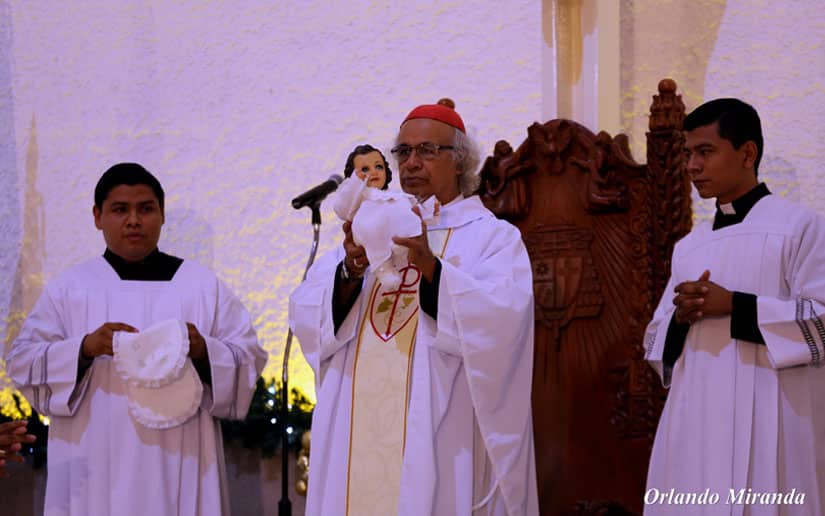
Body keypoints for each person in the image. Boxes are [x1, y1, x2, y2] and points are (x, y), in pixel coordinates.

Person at [290, 100, 539, 515]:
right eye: (403, 152)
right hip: (357, 435)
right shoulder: (371, 228)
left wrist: (432, 269)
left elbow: (504, 323)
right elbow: (305, 316)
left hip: (442, 433)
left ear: (460, 162)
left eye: (427, 150)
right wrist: (351, 269)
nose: (411, 162)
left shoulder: (491, 238)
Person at [7, 163, 268, 516]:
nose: (133, 220)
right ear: (97, 216)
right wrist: (83, 348)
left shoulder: (201, 286)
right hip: (95, 457)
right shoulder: (71, 288)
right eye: (120, 210)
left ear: (161, 215)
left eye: (146, 209)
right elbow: (23, 360)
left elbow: (248, 359)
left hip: (183, 453)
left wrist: (205, 349)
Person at [644, 98, 825, 513]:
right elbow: (654, 339)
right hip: (697, 420)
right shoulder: (689, 246)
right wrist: (680, 318)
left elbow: (821, 322)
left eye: (705, 151)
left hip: (773, 418)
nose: (691, 166)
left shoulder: (799, 227)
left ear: (747, 153)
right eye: (688, 153)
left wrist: (735, 306)